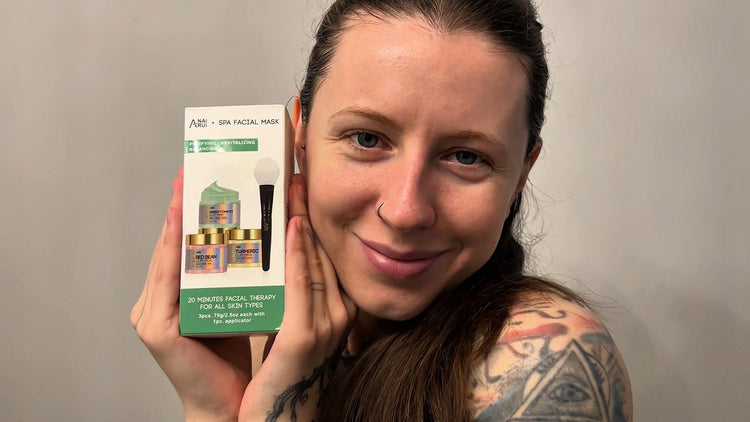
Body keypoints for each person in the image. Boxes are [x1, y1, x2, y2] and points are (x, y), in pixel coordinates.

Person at [131, 0, 633, 420]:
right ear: (300, 134)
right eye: (367, 139)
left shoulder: (545, 365)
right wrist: (215, 407)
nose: (405, 211)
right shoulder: (287, 328)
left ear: (523, 170)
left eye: (466, 157)